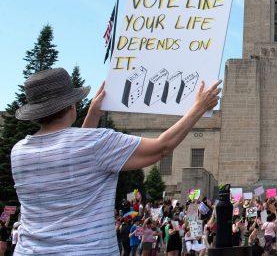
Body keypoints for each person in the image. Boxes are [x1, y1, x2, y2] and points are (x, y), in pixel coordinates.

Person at [10, 67, 221, 254]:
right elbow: (161, 147)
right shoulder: (97, 142)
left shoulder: (18, 151)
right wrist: (199, 108)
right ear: (72, 104)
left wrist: (93, 115)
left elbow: (75, 158)